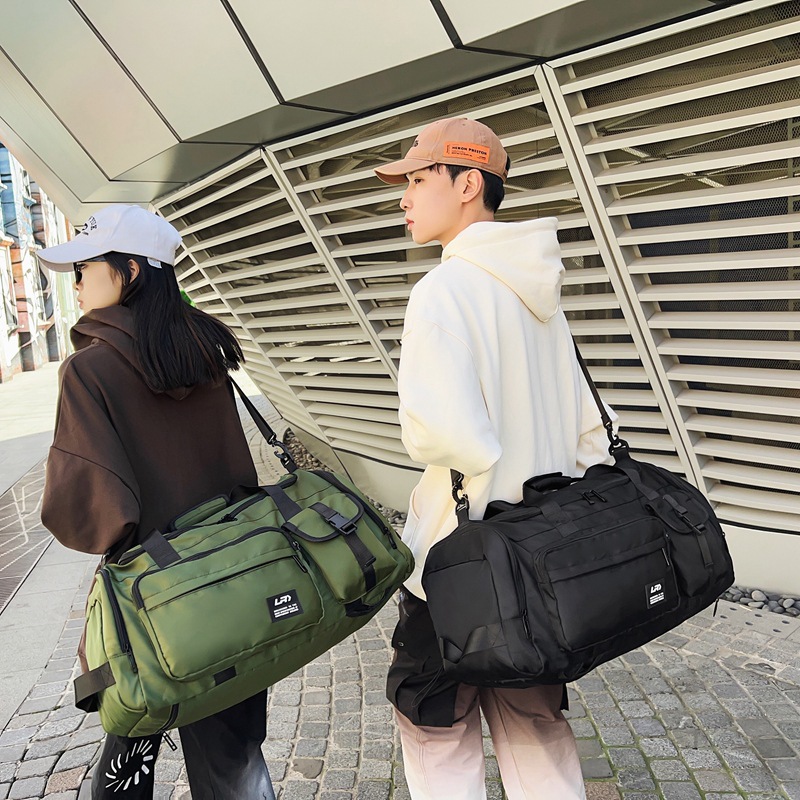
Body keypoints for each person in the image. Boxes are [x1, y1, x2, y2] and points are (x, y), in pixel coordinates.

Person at [374, 118, 616, 799]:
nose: (404, 198)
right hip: (540, 550)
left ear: (468, 183)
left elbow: (444, 436)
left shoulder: (443, 291)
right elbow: (591, 435)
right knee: (534, 719)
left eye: (419, 179)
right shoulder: (540, 290)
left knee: (436, 722)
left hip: (460, 555)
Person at [37, 205, 276, 800]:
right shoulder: (204, 350)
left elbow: (85, 511)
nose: (77, 282)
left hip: (153, 600)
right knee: (234, 759)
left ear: (132, 270)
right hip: (235, 578)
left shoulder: (89, 371)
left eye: (85, 267)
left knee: (128, 755)